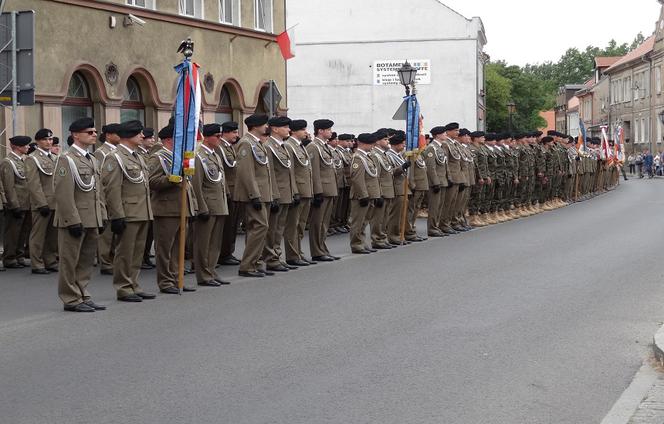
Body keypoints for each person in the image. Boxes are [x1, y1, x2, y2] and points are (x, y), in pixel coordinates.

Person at [54, 117, 106, 312]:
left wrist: (101, 216)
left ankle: (83, 293)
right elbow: (63, 193)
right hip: (74, 219)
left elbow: (97, 191)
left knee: (86, 259)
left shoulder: (92, 159)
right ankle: (70, 298)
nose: (94, 135)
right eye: (89, 132)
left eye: (94, 132)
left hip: (91, 217)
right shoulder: (66, 159)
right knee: (70, 260)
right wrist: (71, 220)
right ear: (76, 135)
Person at [101, 120, 156, 302]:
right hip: (128, 212)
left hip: (142, 210)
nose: (142, 136)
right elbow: (112, 188)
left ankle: (134, 283)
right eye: (139, 133)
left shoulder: (138, 156)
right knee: (125, 252)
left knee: (137, 252)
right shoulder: (114, 157)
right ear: (129, 135)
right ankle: (124, 287)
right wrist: (117, 215)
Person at [148, 124, 198, 294]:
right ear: (170, 139)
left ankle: (177, 279)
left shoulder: (178, 157)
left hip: (181, 207)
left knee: (179, 247)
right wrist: (171, 179)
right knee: (165, 248)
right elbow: (152, 182)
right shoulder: (158, 157)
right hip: (166, 208)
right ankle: (165, 281)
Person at [234, 114, 274, 278]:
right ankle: (247, 265)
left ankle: (255, 262)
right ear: (255, 126)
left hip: (262, 193)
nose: (266, 127)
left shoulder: (256, 143)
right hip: (254, 194)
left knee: (257, 228)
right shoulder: (246, 144)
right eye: (264, 124)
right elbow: (246, 172)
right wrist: (254, 195)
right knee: (260, 226)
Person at [192, 123, 230, 286]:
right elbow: (196, 184)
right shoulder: (199, 156)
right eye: (217, 136)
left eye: (221, 136)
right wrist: (201, 207)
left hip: (219, 204)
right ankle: (203, 275)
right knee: (203, 243)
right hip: (207, 206)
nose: (220, 139)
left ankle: (212, 270)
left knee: (215, 243)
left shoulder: (214, 155)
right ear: (206, 137)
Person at [262, 116, 299, 272]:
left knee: (279, 228)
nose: (289, 129)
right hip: (277, 193)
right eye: (285, 127)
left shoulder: (283, 146)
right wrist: (274, 195)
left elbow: (289, 172)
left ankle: (276, 255)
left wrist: (294, 192)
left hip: (286, 192)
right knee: (272, 228)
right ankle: (271, 258)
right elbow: (269, 173)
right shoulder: (269, 146)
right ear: (275, 129)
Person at [26, 128, 59, 274]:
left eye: (51, 139)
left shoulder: (54, 158)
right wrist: (41, 203)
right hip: (42, 204)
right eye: (45, 139)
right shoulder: (32, 159)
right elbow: (34, 184)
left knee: (52, 235)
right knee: (38, 235)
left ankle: (50, 261)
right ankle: (37, 263)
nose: (49, 142)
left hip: (55, 202)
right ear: (38, 141)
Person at [306, 119, 339, 262]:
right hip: (322, 190)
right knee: (317, 223)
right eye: (329, 130)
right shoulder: (314, 147)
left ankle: (322, 248)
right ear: (320, 131)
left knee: (324, 223)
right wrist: (317, 191)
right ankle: (317, 251)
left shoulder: (324, 146)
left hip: (329, 189)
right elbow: (314, 171)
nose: (331, 132)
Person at [284, 119, 315, 267]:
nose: (306, 132)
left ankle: (298, 252)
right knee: (293, 225)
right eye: (303, 130)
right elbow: (291, 172)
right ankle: (292, 255)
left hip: (306, 190)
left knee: (301, 225)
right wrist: (295, 191)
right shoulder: (289, 146)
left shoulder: (300, 146)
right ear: (294, 131)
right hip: (298, 191)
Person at [94, 123, 121, 275]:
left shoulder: (117, 151)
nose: (120, 136)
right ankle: (105, 261)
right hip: (107, 195)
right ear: (109, 135)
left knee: (116, 231)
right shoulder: (101, 153)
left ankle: (112, 258)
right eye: (117, 134)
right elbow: (102, 177)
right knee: (107, 233)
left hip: (117, 195)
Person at [1, 135, 31, 268]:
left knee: (22, 231)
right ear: (17, 147)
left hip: (26, 202)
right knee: (12, 232)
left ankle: (19, 255)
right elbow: (9, 186)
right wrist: (14, 204)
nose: (28, 147)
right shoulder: (8, 162)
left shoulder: (22, 161)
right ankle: (9, 257)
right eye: (26, 145)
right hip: (17, 203)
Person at [349, 133, 380, 254]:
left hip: (370, 193)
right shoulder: (358, 157)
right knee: (358, 221)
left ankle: (361, 241)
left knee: (364, 221)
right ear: (362, 143)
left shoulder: (367, 156)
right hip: (361, 195)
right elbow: (357, 179)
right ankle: (356, 244)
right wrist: (363, 195)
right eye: (370, 143)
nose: (372, 146)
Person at [217, 121, 241, 266]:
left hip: (235, 189)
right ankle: (224, 253)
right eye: (234, 132)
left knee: (233, 224)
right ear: (225, 133)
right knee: (227, 225)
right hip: (228, 190)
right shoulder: (220, 148)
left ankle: (228, 252)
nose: (236, 135)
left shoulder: (229, 147)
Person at [423, 126, 449, 237]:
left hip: (442, 180)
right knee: (434, 206)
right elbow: (431, 167)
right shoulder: (431, 148)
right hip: (436, 182)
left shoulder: (440, 147)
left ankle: (436, 226)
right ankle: (432, 228)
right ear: (438, 135)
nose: (446, 135)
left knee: (440, 206)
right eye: (444, 133)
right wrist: (435, 182)